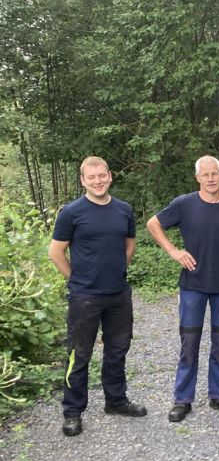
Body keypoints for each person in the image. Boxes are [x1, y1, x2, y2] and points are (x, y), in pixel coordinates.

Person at [146, 156, 219, 422]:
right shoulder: (184, 204)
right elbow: (153, 224)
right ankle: (182, 400)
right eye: (205, 175)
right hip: (192, 286)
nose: (210, 179)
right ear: (197, 178)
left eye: (215, 174)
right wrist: (174, 251)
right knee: (189, 343)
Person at [49, 156, 146, 437]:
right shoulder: (71, 212)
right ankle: (72, 412)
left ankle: (116, 402)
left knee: (117, 351)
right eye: (91, 177)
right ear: (83, 180)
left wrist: (116, 273)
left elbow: (130, 246)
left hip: (119, 295)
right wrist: (79, 281)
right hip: (84, 297)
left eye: (101, 176)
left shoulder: (124, 210)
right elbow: (56, 253)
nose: (97, 181)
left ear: (110, 176)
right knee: (79, 355)